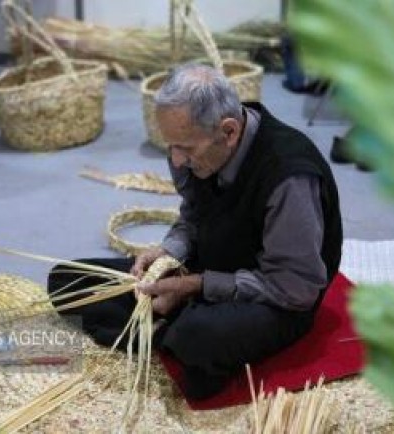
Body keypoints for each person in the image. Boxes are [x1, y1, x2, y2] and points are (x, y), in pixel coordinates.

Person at [48, 63, 342, 400]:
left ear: (229, 132)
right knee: (69, 279)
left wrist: (196, 286)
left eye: (185, 148)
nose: (175, 160)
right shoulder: (195, 147)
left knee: (200, 336)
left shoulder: (288, 177)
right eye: (169, 146)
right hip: (211, 267)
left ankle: (175, 332)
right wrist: (169, 252)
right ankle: (171, 334)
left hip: (273, 295)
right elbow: (192, 215)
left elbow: (295, 289)